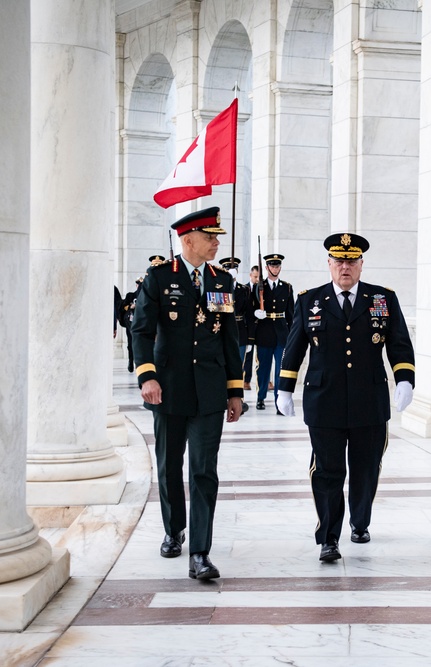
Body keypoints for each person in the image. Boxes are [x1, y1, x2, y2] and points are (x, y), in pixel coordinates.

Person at [276, 233, 415, 562]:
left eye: (351, 261)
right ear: (329, 265)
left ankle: (360, 521)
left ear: (361, 265)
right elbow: (295, 346)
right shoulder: (309, 300)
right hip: (324, 400)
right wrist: (284, 386)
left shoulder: (383, 299)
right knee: (327, 471)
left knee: (366, 469)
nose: (345, 267)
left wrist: (405, 379)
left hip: (370, 399)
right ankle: (328, 537)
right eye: (338, 261)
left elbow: (399, 343)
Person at [131, 207, 243, 581]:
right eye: (210, 237)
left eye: (217, 238)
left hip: (210, 391)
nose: (216, 243)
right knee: (168, 465)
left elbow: (231, 339)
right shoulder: (160, 277)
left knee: (203, 471)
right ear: (188, 239)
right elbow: (142, 330)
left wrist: (234, 390)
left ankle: (200, 553)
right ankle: (172, 528)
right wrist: (147, 376)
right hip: (168, 390)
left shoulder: (222, 280)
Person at [252, 253, 293, 412]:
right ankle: (260, 397)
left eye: (277, 266)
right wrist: (256, 313)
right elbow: (251, 308)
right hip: (264, 331)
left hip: (282, 333)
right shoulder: (259, 286)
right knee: (263, 368)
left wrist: (292, 334)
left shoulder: (287, 287)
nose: (275, 268)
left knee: (281, 370)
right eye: (272, 266)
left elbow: (291, 313)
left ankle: (279, 401)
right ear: (267, 267)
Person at [219, 256, 254, 414]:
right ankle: (222, 396)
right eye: (227, 270)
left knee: (238, 366)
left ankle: (238, 397)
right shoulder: (219, 288)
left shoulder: (244, 290)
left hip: (240, 331)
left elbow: (249, 314)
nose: (230, 272)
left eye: (232, 270)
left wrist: (251, 338)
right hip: (221, 331)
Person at [242, 265, 259, 390]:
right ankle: (246, 380)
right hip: (249, 325)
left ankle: (266, 380)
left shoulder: (263, 289)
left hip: (262, 325)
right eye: (255, 276)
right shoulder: (245, 289)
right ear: (250, 275)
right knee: (248, 354)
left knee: (262, 355)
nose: (257, 279)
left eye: (259, 277)